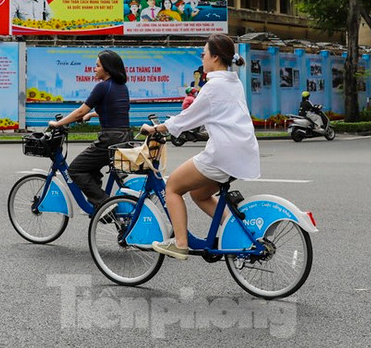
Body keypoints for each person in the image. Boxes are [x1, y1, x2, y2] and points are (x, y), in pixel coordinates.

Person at [140, 34, 259, 261]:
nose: (202, 58)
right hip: (242, 152)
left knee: (173, 187)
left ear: (215, 57)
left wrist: (155, 129)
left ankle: (180, 243)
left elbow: (187, 119)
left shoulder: (213, 86)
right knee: (199, 193)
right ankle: (236, 234)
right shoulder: (233, 81)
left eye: (203, 54)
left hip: (223, 154)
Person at [48, 50, 132, 210]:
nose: (94, 69)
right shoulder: (121, 86)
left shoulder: (102, 87)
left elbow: (80, 112)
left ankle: (104, 205)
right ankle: (100, 206)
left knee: (75, 170)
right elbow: (115, 108)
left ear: (107, 69)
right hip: (124, 136)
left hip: (110, 139)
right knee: (90, 168)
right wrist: (93, 115)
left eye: (97, 66)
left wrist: (57, 124)